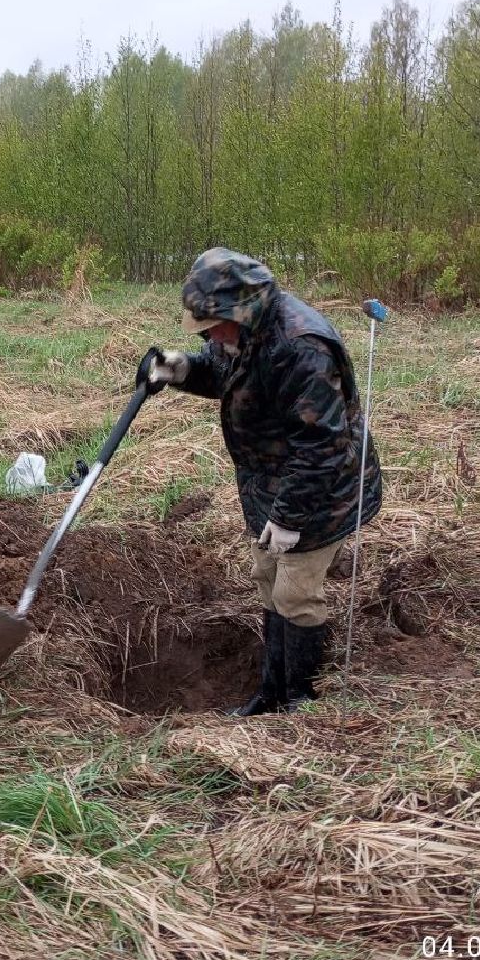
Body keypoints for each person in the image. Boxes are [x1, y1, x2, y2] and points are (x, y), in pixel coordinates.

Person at [145, 248, 382, 716]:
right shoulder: (242, 330)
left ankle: (301, 699)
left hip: (322, 490)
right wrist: (184, 370)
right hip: (270, 484)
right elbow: (227, 374)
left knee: (295, 592)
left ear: (242, 309)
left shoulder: (302, 347)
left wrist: (290, 517)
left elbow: (322, 446)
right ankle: (270, 691)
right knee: (267, 577)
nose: (210, 335)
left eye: (213, 326)